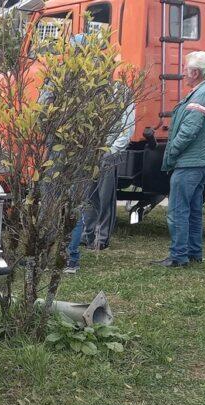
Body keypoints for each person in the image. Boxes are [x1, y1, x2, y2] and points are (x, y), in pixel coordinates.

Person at [154, 51, 205, 268]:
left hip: (190, 161)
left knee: (178, 210)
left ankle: (178, 256)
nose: (184, 73)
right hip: (202, 160)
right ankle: (194, 252)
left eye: (186, 70)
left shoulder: (203, 93)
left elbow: (189, 129)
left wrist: (172, 151)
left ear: (195, 72)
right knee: (193, 209)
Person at [65, 88, 136, 273]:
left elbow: (127, 127)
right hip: (89, 151)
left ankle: (101, 238)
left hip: (108, 153)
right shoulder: (89, 88)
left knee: (105, 197)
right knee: (87, 196)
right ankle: (87, 235)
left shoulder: (122, 93)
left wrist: (112, 151)